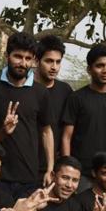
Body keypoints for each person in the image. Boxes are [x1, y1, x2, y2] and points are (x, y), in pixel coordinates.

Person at [0, 32, 55, 199]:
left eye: (28, 58)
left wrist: (50, 168)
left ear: (33, 61)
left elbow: (46, 131)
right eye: (18, 56)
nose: (23, 63)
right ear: (7, 55)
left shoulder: (40, 92)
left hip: (29, 177)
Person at [61, 44, 106, 194]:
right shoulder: (76, 98)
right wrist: (68, 173)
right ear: (89, 69)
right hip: (82, 175)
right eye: (100, 65)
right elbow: (66, 137)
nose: (105, 70)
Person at [34, 35, 73, 182]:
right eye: (49, 61)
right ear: (37, 61)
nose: (54, 67)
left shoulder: (66, 91)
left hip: (54, 169)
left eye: (58, 62)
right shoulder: (25, 88)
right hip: (26, 167)